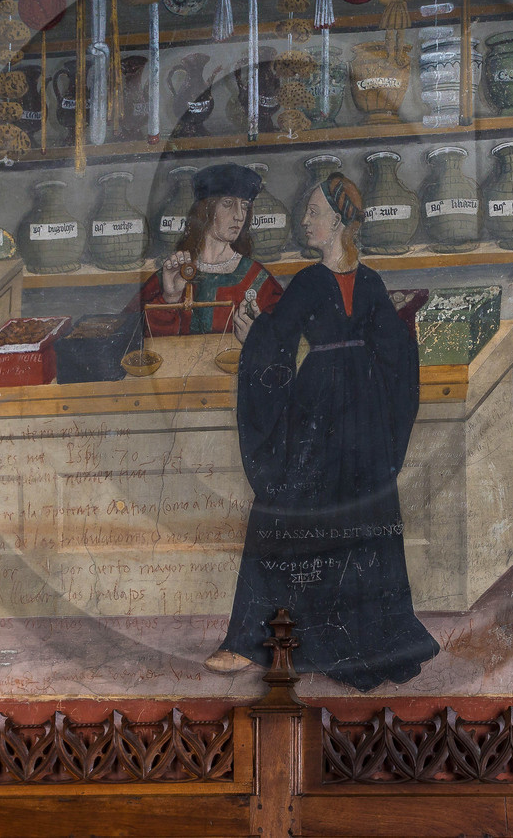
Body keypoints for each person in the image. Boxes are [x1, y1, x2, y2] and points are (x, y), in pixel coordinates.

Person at [205, 171, 440, 691]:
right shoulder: (371, 282)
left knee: (280, 512)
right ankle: (307, 637)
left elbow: (276, 340)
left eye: (314, 212)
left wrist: (252, 336)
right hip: (362, 416)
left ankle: (248, 642)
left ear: (338, 223)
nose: (304, 220)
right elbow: (398, 351)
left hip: (320, 412)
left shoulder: (312, 282)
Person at [137, 163, 282, 339]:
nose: (239, 215)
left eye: (244, 206)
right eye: (228, 203)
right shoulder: (174, 272)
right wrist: (170, 297)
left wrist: (257, 338)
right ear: (205, 209)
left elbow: (286, 336)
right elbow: (134, 337)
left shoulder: (256, 278)